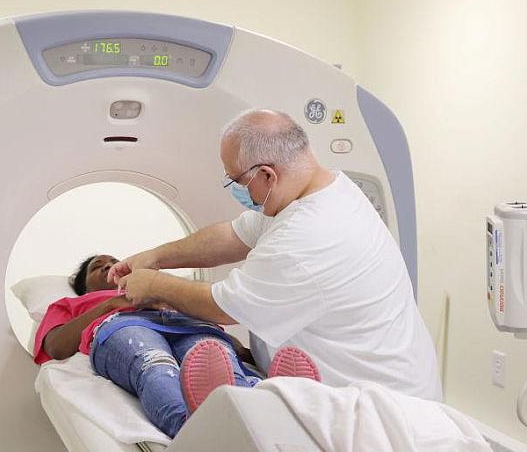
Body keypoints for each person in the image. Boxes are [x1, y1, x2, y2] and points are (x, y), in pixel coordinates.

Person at [109, 109, 442, 400]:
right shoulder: (322, 191)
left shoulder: (308, 237)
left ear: (267, 175)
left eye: (235, 179)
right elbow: (231, 235)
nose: (233, 186)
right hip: (373, 387)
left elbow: (222, 307)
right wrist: (154, 256)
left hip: (377, 410)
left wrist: (154, 285)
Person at [33, 254, 319, 438]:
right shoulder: (72, 304)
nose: (109, 266)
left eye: (113, 262)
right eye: (98, 267)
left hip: (188, 323)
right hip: (122, 325)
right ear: (84, 287)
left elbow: (208, 319)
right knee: (155, 363)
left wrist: (243, 350)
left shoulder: (157, 286)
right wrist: (112, 303)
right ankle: (192, 431)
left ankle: (273, 404)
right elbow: (56, 347)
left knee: (218, 358)